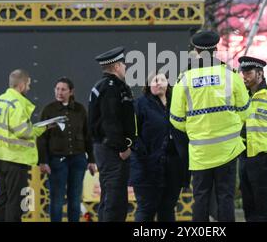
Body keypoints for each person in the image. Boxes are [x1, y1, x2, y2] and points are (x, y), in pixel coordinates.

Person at [170, 31, 251, 222]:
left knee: (201, 197)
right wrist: (231, 126)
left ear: (196, 51)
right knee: (225, 196)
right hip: (228, 149)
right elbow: (246, 110)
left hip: (200, 152)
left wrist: (195, 130)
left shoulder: (185, 79)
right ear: (216, 50)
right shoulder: (231, 75)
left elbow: (176, 119)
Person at [0, 69, 53, 222]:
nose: (29, 88)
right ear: (22, 85)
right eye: (28, 84)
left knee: (2, 199)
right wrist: (43, 127)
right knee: (15, 202)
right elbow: (24, 132)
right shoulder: (17, 104)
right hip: (15, 159)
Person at [129, 72, 189, 222]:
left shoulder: (177, 103)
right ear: (148, 86)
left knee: (168, 209)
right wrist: (144, 155)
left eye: (162, 79)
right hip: (147, 166)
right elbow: (132, 134)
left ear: (168, 84)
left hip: (174, 166)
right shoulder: (140, 104)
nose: (158, 83)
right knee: (146, 209)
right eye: (154, 80)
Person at [37, 77, 96, 222]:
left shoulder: (80, 109)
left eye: (63, 89)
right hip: (56, 161)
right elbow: (41, 137)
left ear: (71, 92)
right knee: (57, 199)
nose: (59, 92)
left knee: (75, 199)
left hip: (78, 160)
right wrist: (43, 161)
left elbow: (88, 135)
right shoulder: (48, 110)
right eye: (57, 89)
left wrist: (92, 160)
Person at [88, 46, 136, 222]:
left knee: (109, 197)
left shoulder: (102, 86)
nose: (125, 67)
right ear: (116, 66)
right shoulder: (111, 87)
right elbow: (111, 121)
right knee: (115, 200)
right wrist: (123, 147)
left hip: (106, 148)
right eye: (123, 64)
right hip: (112, 150)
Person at [237, 56, 267, 222]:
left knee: (265, 205)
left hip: (262, 158)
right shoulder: (242, 96)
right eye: (243, 73)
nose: (245, 76)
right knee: (249, 205)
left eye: (248, 72)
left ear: (260, 73)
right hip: (243, 157)